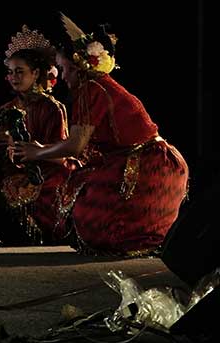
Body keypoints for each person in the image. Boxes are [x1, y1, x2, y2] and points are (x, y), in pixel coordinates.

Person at [11, 15, 189, 256]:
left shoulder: (89, 89)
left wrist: (38, 150)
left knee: (87, 211)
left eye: (64, 69)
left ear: (78, 67)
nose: (62, 77)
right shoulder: (97, 86)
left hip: (146, 165)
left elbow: (74, 146)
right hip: (153, 161)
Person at [0, 25, 71, 245]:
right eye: (10, 72)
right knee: (3, 190)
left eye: (19, 71)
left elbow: (62, 155)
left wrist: (31, 150)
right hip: (15, 174)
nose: (13, 77)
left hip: (47, 171)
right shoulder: (5, 109)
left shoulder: (52, 108)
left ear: (36, 73)